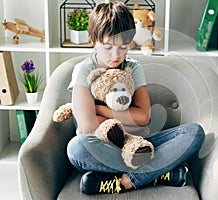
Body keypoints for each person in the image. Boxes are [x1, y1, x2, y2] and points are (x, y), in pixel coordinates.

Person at [66, 1, 205, 195]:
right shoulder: (84, 70)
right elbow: (88, 127)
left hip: (141, 145)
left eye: (123, 47)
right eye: (107, 47)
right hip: (102, 149)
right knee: (77, 148)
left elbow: (143, 118)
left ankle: (125, 181)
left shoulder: (133, 67)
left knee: (194, 133)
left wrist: (99, 110)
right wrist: (128, 122)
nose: (116, 56)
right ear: (93, 40)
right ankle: (158, 173)